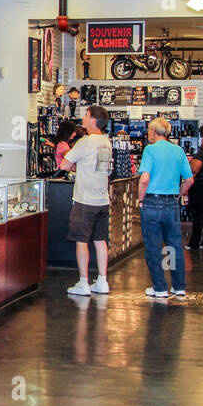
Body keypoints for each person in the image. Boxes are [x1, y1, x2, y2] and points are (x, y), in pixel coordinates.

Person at [137, 117, 193, 299]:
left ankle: (160, 287)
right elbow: (189, 180)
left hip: (152, 201)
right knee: (174, 245)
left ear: (153, 132)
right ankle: (179, 286)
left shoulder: (150, 150)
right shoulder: (178, 151)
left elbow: (144, 178)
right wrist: (178, 194)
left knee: (153, 246)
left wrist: (140, 199)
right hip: (171, 203)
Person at [60, 105, 113, 296]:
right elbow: (103, 169)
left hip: (85, 200)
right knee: (100, 240)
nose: (83, 118)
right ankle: (102, 280)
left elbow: (64, 164)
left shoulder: (84, 142)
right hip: (101, 199)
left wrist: (74, 164)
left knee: (81, 241)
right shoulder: (106, 143)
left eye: (86, 115)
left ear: (93, 120)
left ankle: (83, 282)